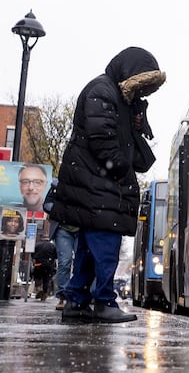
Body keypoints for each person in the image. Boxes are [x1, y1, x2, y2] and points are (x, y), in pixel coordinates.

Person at [48, 47, 166, 324]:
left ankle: (76, 300)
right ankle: (103, 301)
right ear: (132, 76)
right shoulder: (102, 91)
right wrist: (120, 171)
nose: (143, 93)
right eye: (142, 86)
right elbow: (102, 138)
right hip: (98, 183)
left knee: (91, 247)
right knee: (105, 245)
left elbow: (126, 143)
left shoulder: (115, 96)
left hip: (94, 182)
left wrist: (137, 120)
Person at [44, 179, 79, 311]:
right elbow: (47, 204)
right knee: (64, 262)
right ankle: (63, 296)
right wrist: (61, 211)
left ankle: (80, 295)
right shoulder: (57, 185)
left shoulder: (87, 182)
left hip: (81, 229)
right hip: (63, 229)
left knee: (82, 263)